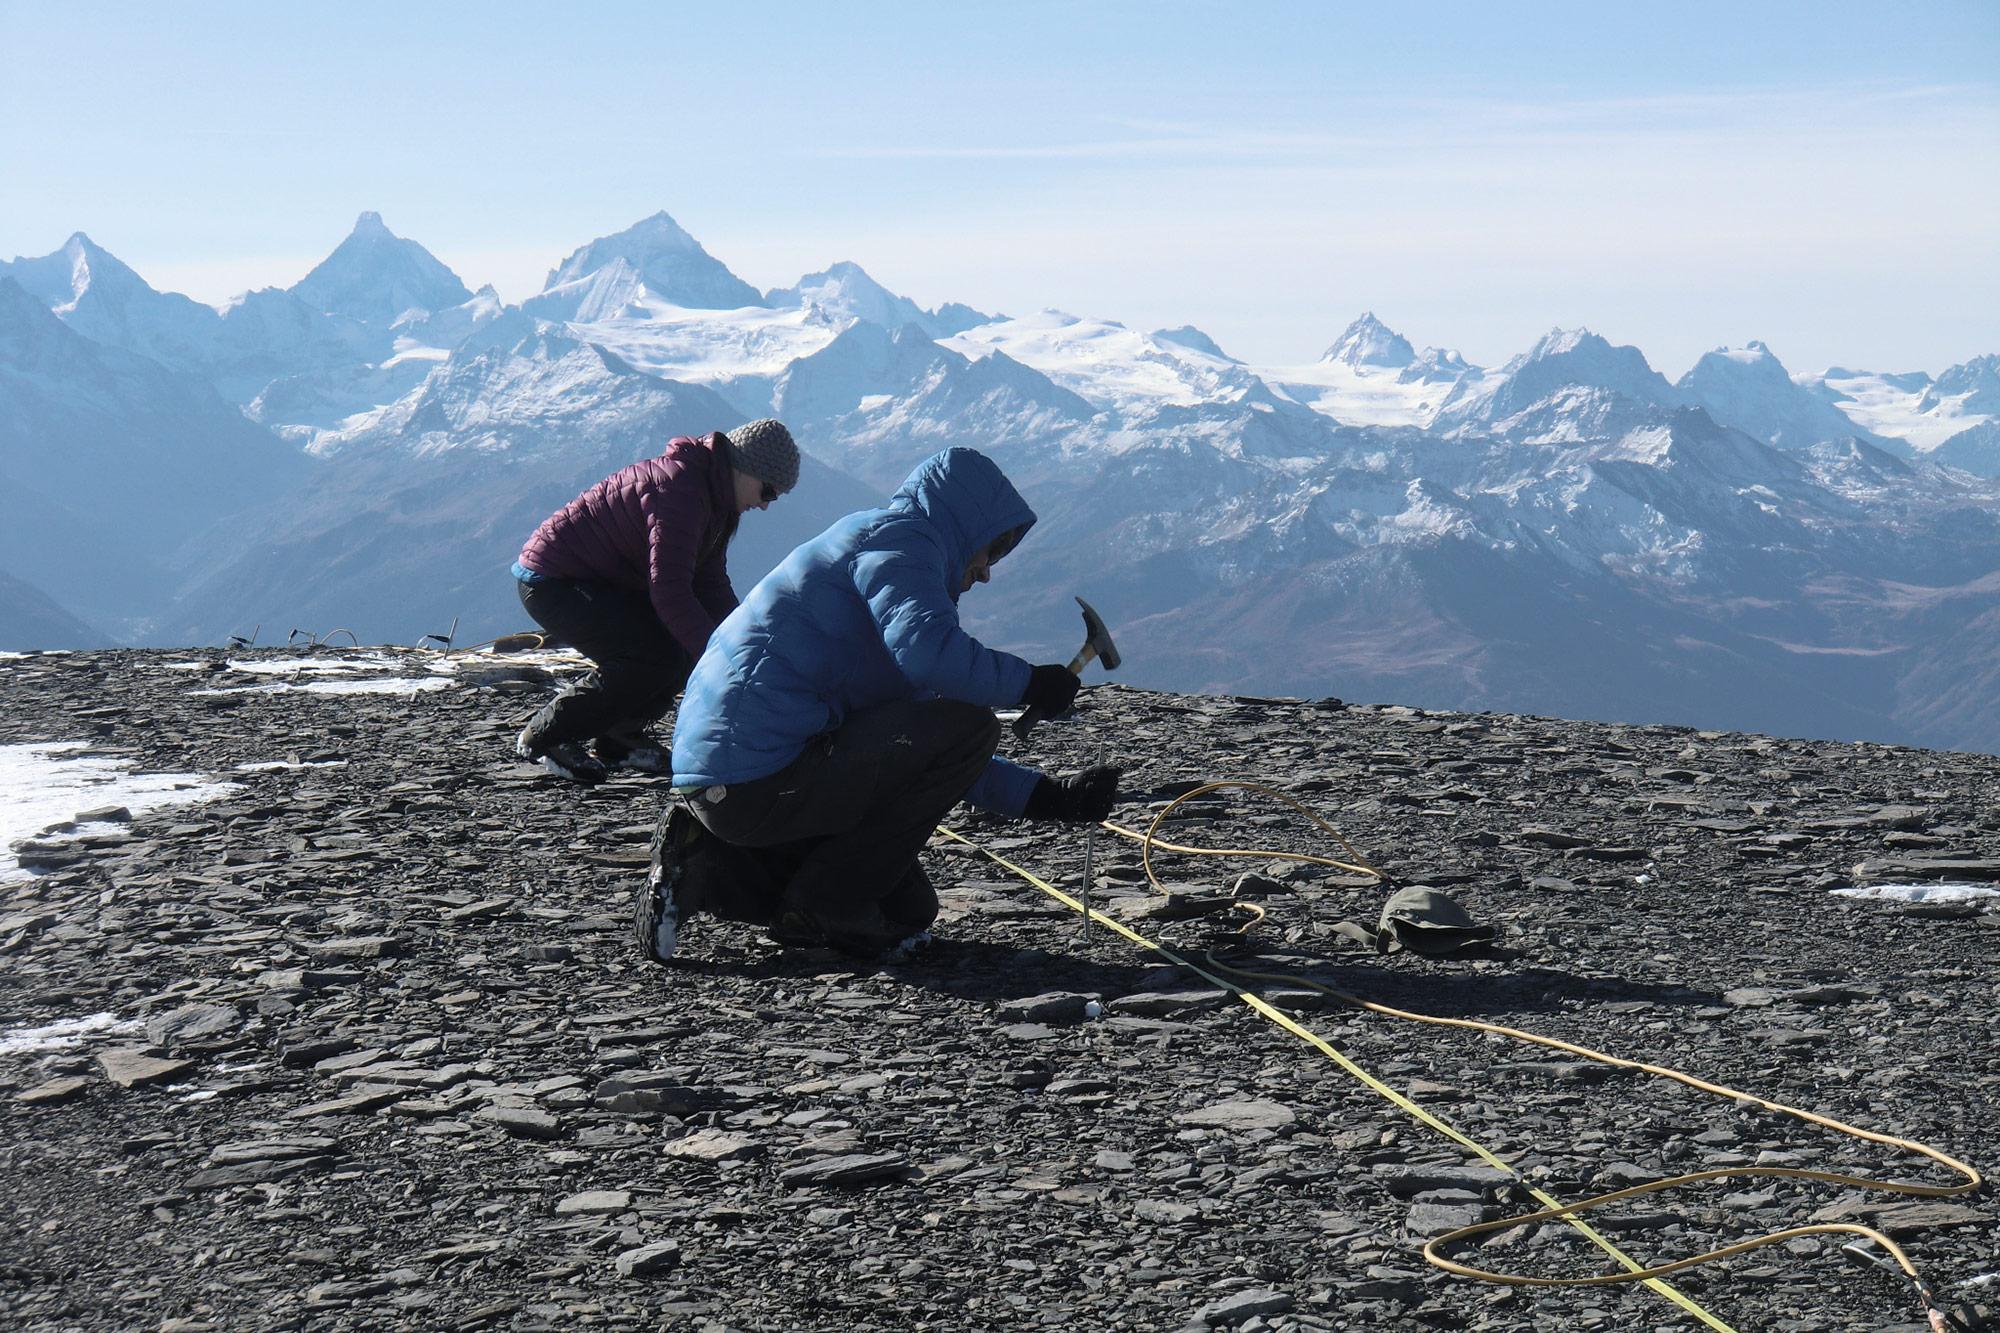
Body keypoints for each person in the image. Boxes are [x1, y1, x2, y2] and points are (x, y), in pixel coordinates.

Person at [639, 446, 1119, 962]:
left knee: (907, 911)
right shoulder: (901, 543)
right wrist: (1029, 683)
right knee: (970, 728)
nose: (985, 572)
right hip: (756, 775)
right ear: (963, 528)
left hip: (733, 777)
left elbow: (921, 738)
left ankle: (710, 864)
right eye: (991, 550)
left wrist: (1050, 798)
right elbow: (933, 665)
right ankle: (818, 904)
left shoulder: (878, 549)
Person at [511, 419, 799, 785]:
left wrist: (744, 642)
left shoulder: (714, 497)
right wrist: (719, 656)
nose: (765, 505)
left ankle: (619, 737)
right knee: (649, 655)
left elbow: (708, 582)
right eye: (768, 492)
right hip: (555, 581)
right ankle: (547, 736)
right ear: (745, 470)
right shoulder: (680, 492)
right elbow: (671, 590)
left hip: (598, 580)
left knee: (674, 648)